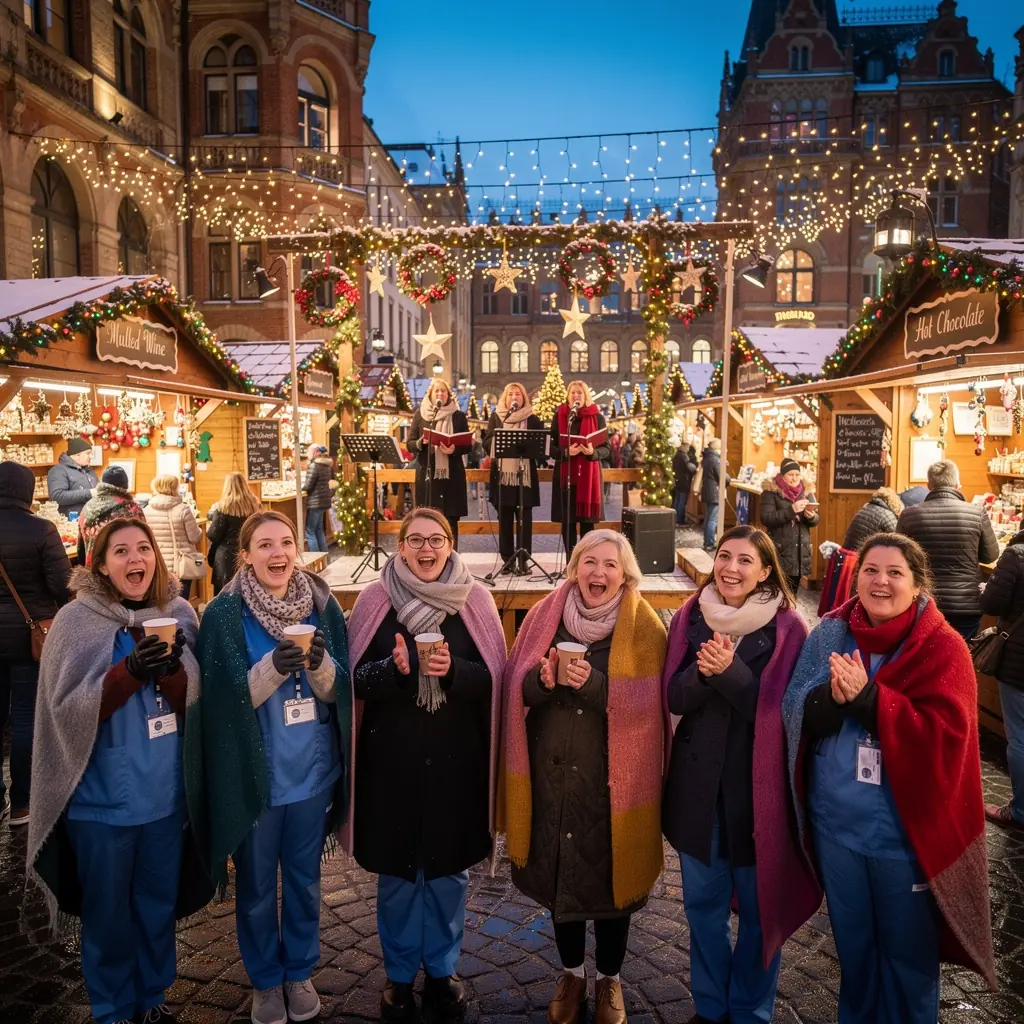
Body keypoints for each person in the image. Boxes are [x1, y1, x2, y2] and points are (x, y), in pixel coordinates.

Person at [783, 534, 996, 1022]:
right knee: (854, 954)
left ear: (918, 584)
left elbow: (949, 740)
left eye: (895, 572)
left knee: (908, 963)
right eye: (870, 570)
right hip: (837, 831)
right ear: (855, 577)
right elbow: (793, 706)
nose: (881, 581)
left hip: (904, 843)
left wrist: (870, 701)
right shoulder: (831, 632)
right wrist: (828, 701)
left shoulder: (944, 647)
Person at [27, 519, 210, 1024]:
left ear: (155, 557)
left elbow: (197, 706)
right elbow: (64, 712)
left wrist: (172, 672)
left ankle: (151, 999)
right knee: (107, 915)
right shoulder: (75, 622)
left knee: (156, 907)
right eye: (121, 551)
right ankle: (112, 1010)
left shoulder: (178, 613)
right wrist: (129, 672)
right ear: (102, 565)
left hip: (165, 797)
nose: (135, 559)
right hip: (100, 802)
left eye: (143, 548)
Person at [344, 508, 507, 1022]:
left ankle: (441, 970)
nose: (426, 548)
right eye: (415, 539)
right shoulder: (375, 600)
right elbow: (354, 682)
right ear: (401, 547)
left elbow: (494, 680)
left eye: (436, 539)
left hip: (457, 763)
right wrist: (393, 671)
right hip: (390, 764)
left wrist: (454, 671)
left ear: (451, 545)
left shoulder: (475, 600)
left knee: (447, 874)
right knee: (397, 875)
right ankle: (398, 976)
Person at [189, 511, 350, 1024]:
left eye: (286, 542)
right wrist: (272, 669)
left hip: (311, 773)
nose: (277, 553)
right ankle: (264, 980)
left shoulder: (323, 605)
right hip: (254, 776)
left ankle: (298, 972)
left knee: (304, 880)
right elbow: (219, 704)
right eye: (264, 545)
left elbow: (340, 694)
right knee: (257, 885)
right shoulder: (223, 614)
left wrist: (320, 667)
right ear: (245, 555)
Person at [500, 529, 668, 1024]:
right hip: (551, 781)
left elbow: (649, 711)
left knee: (614, 888)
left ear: (626, 574)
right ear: (574, 569)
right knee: (562, 880)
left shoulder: (645, 627)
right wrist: (541, 682)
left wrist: (594, 685)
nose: (599, 573)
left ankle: (610, 980)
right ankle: (572, 974)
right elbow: (515, 688)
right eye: (589, 562)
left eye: (610, 565)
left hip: (613, 787)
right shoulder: (542, 617)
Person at [663, 525, 820, 1024]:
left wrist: (729, 673)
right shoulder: (690, 615)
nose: (731, 568)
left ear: (766, 571)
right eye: (724, 556)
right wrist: (703, 673)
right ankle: (711, 1008)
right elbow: (674, 698)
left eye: (745, 560)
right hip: (698, 792)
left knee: (758, 914)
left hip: (758, 796)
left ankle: (751, 1011)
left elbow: (786, 713)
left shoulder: (789, 629)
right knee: (703, 912)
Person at [0, 461, 71, 825]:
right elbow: (63, 585)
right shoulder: (42, 529)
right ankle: (22, 802)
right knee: (27, 716)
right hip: (31, 639)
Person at [896, 459, 999, 640]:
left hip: (923, 600)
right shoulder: (977, 513)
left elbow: (898, 558)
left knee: (923, 653)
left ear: (929, 486)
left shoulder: (909, 515)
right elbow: (991, 556)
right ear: (957, 484)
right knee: (963, 653)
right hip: (966, 604)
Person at [979, 527, 1024, 830]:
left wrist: (987, 589)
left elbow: (991, 604)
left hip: (1019, 662)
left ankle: (1020, 811)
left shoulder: (1016, 555)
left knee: (1019, 737)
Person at [483, 383, 544, 574]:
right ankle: (508, 560)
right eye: (511, 394)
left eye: (518, 394)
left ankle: (524, 559)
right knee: (505, 520)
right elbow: (486, 442)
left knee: (525, 519)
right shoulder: (497, 417)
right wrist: (496, 441)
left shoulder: (532, 419)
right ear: (505, 398)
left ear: (523, 398)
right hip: (503, 477)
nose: (514, 397)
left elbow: (541, 447)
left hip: (525, 477)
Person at [551, 381, 611, 560]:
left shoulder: (597, 417)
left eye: (580, 393)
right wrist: (565, 452)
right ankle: (570, 563)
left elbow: (606, 449)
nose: (576, 396)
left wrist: (593, 452)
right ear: (568, 396)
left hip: (588, 479)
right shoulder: (560, 416)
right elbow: (550, 447)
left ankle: (586, 562)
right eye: (573, 393)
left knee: (587, 525)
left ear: (586, 396)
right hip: (566, 479)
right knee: (567, 523)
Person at [407, 379, 471, 547]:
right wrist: (421, 442)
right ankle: (429, 554)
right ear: (430, 395)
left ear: (449, 395)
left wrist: (454, 449)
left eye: (443, 391)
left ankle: (451, 556)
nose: (440, 394)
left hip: (452, 476)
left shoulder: (458, 416)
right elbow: (410, 444)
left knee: (451, 522)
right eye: (437, 391)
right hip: (428, 476)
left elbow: (467, 445)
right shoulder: (420, 415)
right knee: (428, 520)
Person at [758, 458, 819, 596]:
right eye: (790, 474)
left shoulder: (807, 492)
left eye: (797, 474)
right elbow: (766, 518)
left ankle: (789, 609)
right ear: (782, 475)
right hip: (780, 549)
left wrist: (811, 517)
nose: (794, 478)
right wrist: (791, 510)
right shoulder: (771, 492)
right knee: (776, 591)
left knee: (792, 592)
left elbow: (816, 519)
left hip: (800, 551)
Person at [143, 475, 204, 600]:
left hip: (157, 565)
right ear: (174, 487)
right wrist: (200, 530)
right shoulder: (183, 509)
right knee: (181, 602)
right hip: (181, 566)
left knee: (160, 602)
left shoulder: (146, 511)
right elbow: (194, 537)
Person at [206, 472, 262, 595]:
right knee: (248, 590)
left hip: (226, 556)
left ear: (227, 486)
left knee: (225, 593)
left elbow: (213, 534)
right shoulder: (255, 504)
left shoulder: (223, 506)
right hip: (249, 552)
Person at [78, 465, 145, 567]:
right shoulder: (131, 508)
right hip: (120, 570)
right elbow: (143, 542)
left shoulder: (87, 506)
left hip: (91, 570)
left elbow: (81, 547)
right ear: (125, 485)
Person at [46, 437, 98, 518]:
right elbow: (57, 496)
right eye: (88, 453)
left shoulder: (89, 470)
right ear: (77, 455)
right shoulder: (58, 471)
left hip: (92, 518)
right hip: (71, 521)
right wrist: (89, 493)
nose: (91, 456)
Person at [842, 487, 903, 552]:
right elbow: (899, 538)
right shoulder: (887, 514)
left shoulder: (865, 508)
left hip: (846, 552)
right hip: (860, 554)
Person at [301, 445, 334, 553]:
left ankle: (315, 558)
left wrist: (301, 488)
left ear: (313, 453)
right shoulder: (327, 465)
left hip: (315, 502)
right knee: (319, 530)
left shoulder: (314, 465)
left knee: (310, 531)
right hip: (324, 501)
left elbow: (308, 485)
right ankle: (324, 557)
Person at [700, 439, 729, 552]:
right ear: (718, 448)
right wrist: (728, 478)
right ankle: (710, 543)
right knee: (712, 519)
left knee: (709, 518)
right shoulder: (715, 459)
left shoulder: (708, 457)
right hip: (714, 492)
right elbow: (722, 476)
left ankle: (707, 542)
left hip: (708, 491)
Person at [672, 443, 698, 526]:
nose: (688, 449)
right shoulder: (684, 456)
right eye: (687, 447)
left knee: (677, 500)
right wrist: (696, 466)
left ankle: (674, 518)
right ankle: (680, 520)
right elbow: (690, 468)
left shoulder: (677, 454)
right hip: (684, 480)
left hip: (678, 479)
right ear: (684, 447)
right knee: (682, 501)